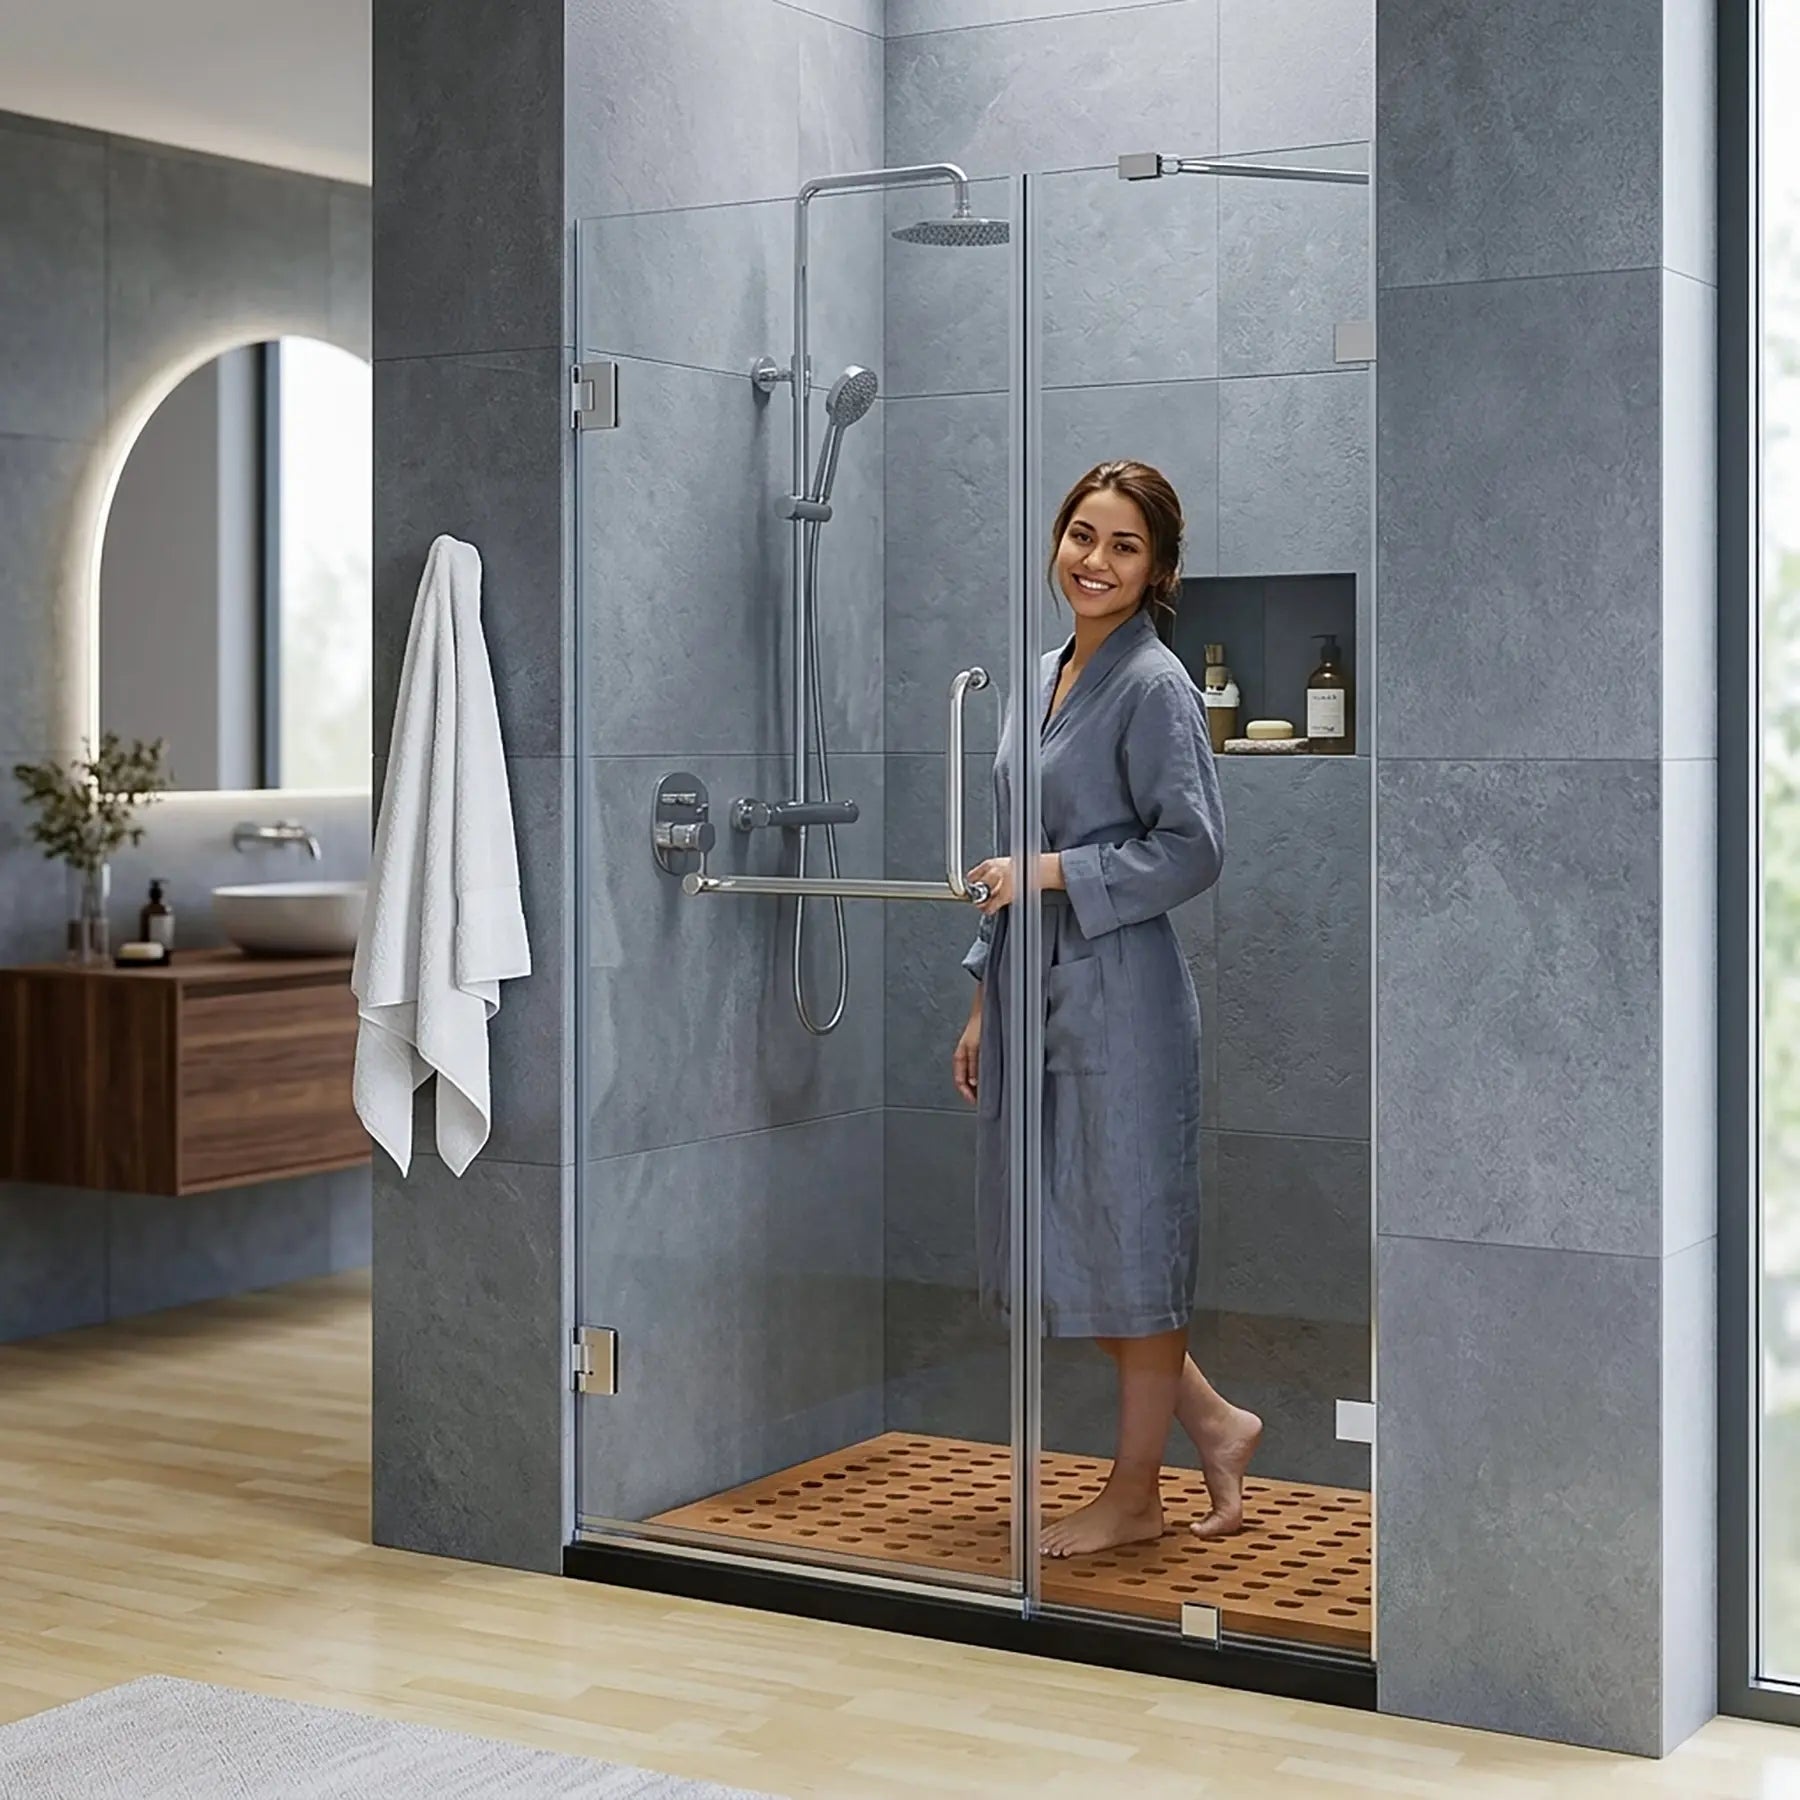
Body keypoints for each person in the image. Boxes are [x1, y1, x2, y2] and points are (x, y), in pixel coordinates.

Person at [953, 460, 1262, 1558]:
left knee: (1125, 1237)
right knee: (1067, 1240)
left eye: (1123, 546)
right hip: (1032, 991)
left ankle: (1139, 1492)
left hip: (1119, 1002)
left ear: (1160, 569)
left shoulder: (1155, 686)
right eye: (1082, 534)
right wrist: (988, 998)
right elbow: (1008, 861)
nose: (1093, 559)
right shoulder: (1047, 674)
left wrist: (1048, 874)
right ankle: (1217, 1425)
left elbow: (1194, 850)